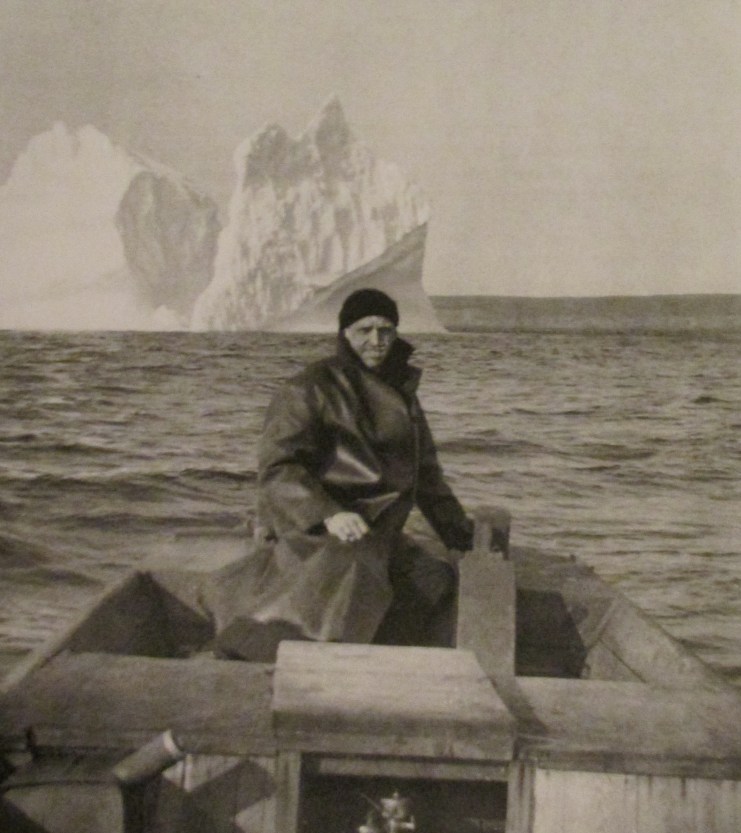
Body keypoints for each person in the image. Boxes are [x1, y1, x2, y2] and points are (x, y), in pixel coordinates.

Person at [213, 288, 473, 660]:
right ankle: (263, 649)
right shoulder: (310, 387)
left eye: (386, 330)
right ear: (345, 333)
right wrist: (328, 513)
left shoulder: (403, 392)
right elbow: (279, 467)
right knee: (354, 570)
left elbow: (426, 475)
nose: (377, 340)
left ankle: (373, 658)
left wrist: (460, 535)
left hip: (378, 529)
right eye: (365, 330)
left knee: (434, 579)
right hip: (317, 528)